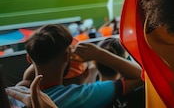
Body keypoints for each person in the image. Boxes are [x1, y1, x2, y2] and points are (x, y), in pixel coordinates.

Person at [14, 24, 142, 108]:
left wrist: (39, 54)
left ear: (29, 58)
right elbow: (139, 76)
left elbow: (30, 77)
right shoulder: (81, 96)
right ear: (66, 56)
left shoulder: (16, 93)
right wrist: (99, 54)